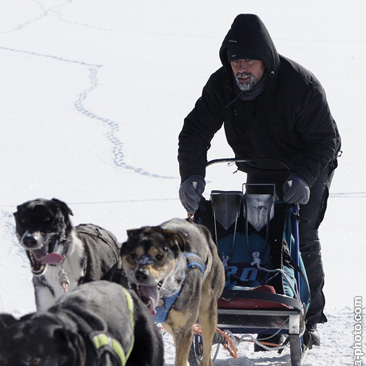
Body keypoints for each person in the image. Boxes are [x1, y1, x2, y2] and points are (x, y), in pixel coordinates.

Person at [178, 14, 341, 347]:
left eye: (249, 60)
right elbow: (195, 131)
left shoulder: (300, 86)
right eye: (236, 60)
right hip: (261, 165)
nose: (242, 68)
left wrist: (303, 177)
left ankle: (307, 319)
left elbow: (325, 139)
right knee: (254, 236)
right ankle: (264, 312)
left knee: (297, 233)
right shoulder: (221, 84)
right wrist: (191, 175)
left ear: (266, 60)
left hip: (306, 165)